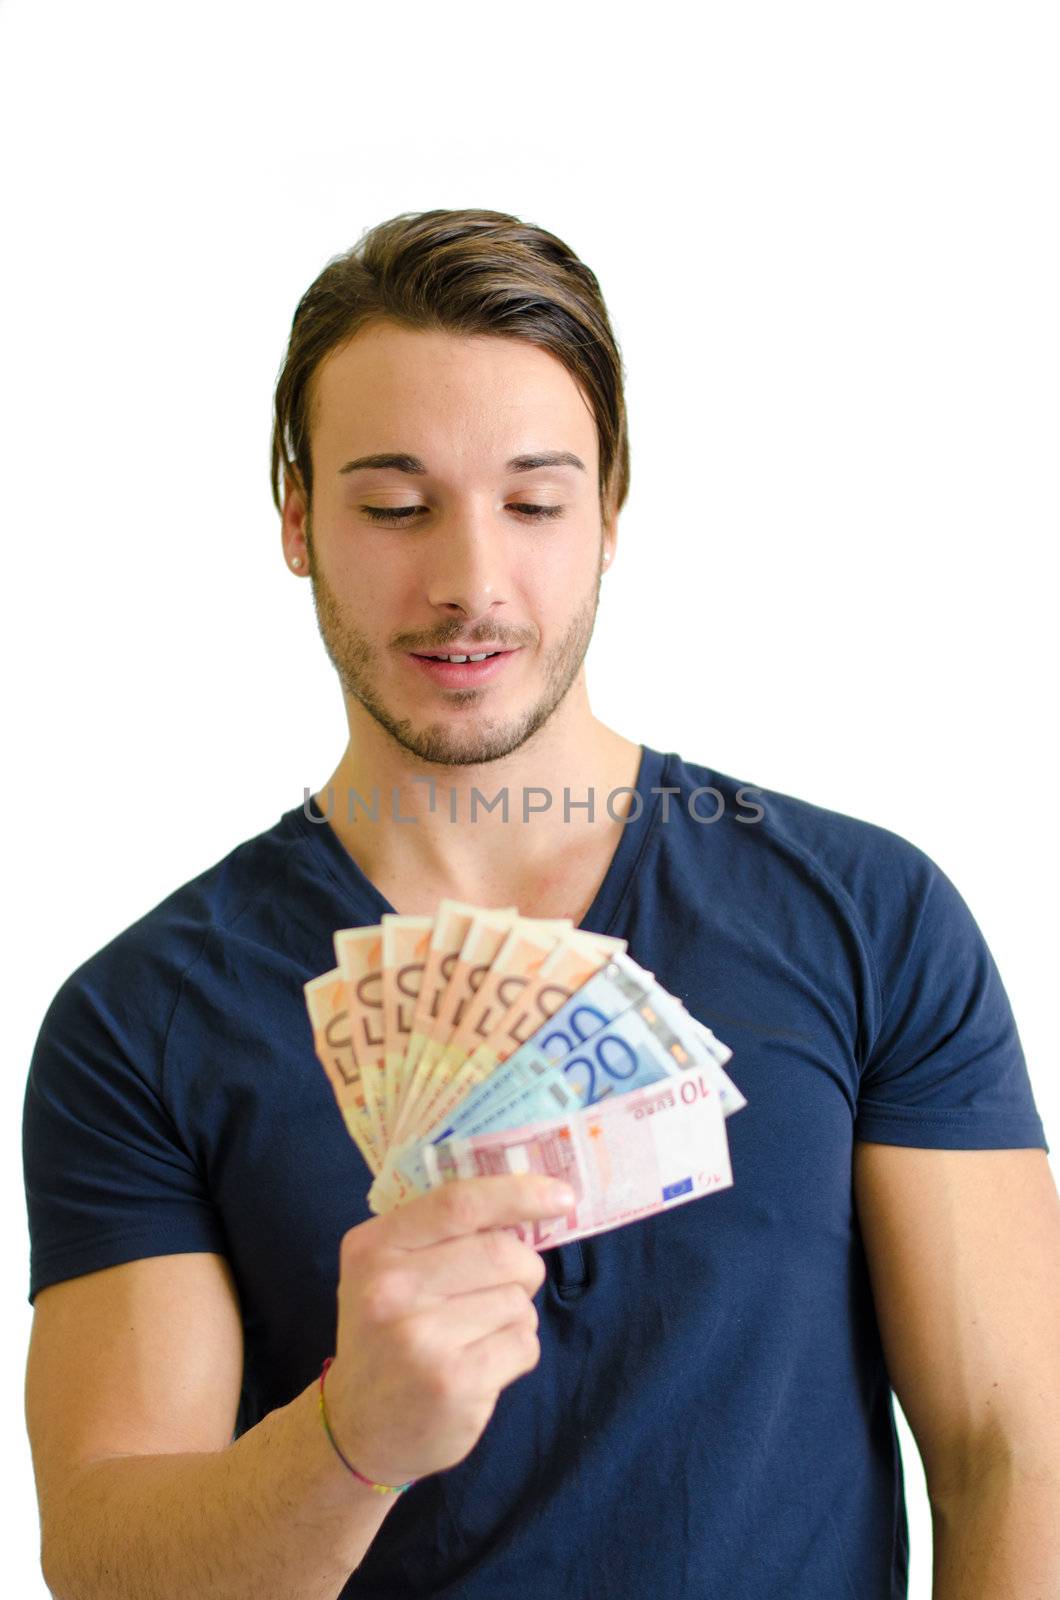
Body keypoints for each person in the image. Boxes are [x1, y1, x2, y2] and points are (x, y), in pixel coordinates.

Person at [22, 208, 1059, 1600]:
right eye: (393, 505)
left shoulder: (870, 918)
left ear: (612, 509)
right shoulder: (139, 1020)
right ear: (294, 513)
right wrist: (349, 1442)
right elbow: (106, 1563)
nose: (468, 584)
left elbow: (1013, 1447)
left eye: (533, 502)